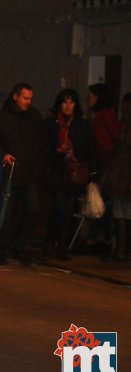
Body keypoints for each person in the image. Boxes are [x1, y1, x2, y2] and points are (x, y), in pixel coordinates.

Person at [0, 82, 46, 265]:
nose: (28, 102)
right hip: (11, 171)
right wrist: (2, 154)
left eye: (30, 99)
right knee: (6, 212)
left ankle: (19, 244)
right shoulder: (2, 117)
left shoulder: (34, 117)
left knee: (33, 210)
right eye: (25, 98)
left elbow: (40, 142)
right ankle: (2, 249)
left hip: (29, 172)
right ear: (15, 96)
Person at [44, 88, 97, 261]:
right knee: (58, 209)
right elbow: (44, 147)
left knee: (68, 211)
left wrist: (92, 172)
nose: (68, 106)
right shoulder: (52, 123)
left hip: (75, 173)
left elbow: (89, 148)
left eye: (71, 102)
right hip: (57, 172)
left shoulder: (81, 125)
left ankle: (61, 247)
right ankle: (50, 242)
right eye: (64, 102)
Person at [86, 83, 121, 253]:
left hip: (106, 165)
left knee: (103, 203)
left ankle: (104, 238)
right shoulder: (98, 116)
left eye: (91, 95)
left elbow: (113, 139)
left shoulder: (106, 116)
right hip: (99, 163)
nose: (88, 99)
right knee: (98, 202)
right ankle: (97, 237)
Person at [102, 92, 131, 261]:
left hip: (123, 175)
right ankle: (121, 248)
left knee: (123, 213)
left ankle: (122, 249)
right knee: (121, 212)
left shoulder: (125, 127)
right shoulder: (123, 125)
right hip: (119, 175)